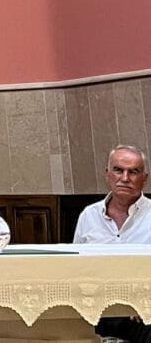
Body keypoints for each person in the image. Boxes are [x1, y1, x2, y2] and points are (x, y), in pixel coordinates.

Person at [73, 145, 151, 343]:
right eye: (118, 170)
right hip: (96, 309)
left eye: (133, 172)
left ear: (145, 179)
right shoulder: (88, 216)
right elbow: (75, 268)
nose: (125, 178)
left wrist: (146, 303)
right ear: (107, 174)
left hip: (142, 312)